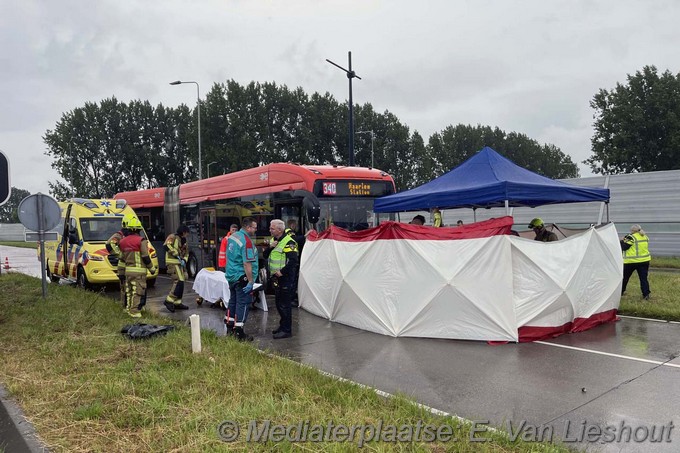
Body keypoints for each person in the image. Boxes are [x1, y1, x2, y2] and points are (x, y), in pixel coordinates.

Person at [224, 217, 259, 341]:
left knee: (232, 301)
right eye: (254, 227)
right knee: (243, 303)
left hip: (231, 275)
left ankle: (229, 328)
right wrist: (250, 281)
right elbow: (247, 263)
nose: (255, 230)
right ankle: (239, 332)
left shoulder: (233, 236)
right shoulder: (246, 241)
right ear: (248, 227)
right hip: (241, 276)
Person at [264, 219, 299, 339]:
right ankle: (282, 326)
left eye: (272, 228)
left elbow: (294, 261)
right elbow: (265, 256)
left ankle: (287, 330)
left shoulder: (289, 242)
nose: (270, 230)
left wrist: (281, 272)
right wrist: (270, 247)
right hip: (276, 278)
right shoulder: (274, 240)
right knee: (279, 304)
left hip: (285, 278)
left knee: (285, 305)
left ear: (279, 229)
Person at [118, 217, 156, 318]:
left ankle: (128, 309)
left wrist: (120, 272)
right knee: (138, 291)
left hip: (128, 272)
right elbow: (145, 256)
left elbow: (121, 258)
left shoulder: (122, 242)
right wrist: (152, 269)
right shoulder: (141, 241)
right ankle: (135, 312)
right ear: (137, 230)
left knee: (129, 291)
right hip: (139, 272)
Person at [106, 213, 133, 308]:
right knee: (125, 287)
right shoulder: (119, 235)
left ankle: (129, 305)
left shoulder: (130, 235)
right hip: (123, 266)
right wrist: (120, 254)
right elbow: (109, 244)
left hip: (130, 266)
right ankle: (125, 306)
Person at [621, 224, 652, 300]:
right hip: (644, 261)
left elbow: (624, 247)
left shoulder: (631, 237)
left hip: (631, 262)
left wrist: (621, 241)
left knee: (625, 278)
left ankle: (621, 292)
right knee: (643, 279)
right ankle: (646, 295)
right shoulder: (645, 236)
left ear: (632, 231)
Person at [163, 225, 190, 312]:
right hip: (172, 262)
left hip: (180, 264)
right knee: (179, 281)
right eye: (187, 233)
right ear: (183, 232)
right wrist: (175, 253)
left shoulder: (185, 241)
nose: (187, 235)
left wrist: (184, 260)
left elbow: (186, 253)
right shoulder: (172, 237)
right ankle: (169, 300)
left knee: (182, 282)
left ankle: (177, 302)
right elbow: (166, 246)